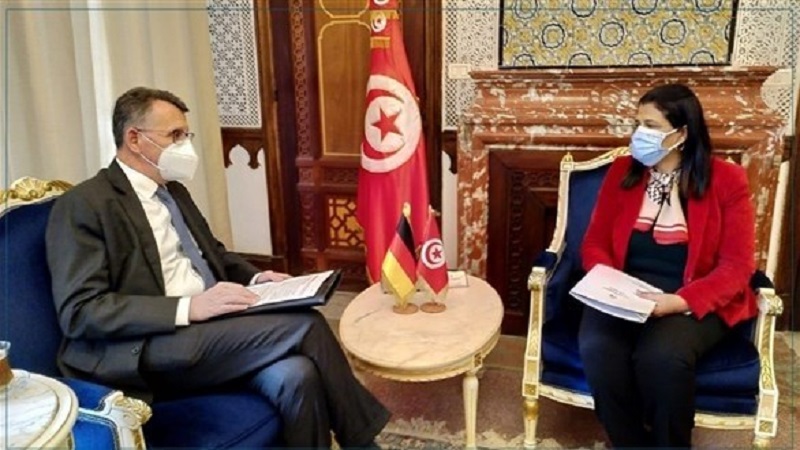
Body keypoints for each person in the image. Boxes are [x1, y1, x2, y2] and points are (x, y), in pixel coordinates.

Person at [46, 86, 390, 448]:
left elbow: (213, 254)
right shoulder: (85, 204)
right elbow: (81, 311)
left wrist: (257, 277)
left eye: (186, 135)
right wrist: (189, 307)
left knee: (297, 374)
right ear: (134, 139)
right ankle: (364, 444)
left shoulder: (173, 190)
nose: (184, 146)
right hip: (149, 345)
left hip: (213, 328)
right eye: (174, 135)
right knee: (307, 326)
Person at [578, 83, 757, 448]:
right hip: (624, 292)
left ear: (682, 133)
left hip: (690, 296)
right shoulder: (622, 172)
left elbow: (737, 267)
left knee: (661, 357)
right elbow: (595, 243)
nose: (638, 134)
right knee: (598, 349)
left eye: (651, 126)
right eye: (637, 124)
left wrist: (679, 302)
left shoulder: (727, 180)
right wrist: (610, 285)